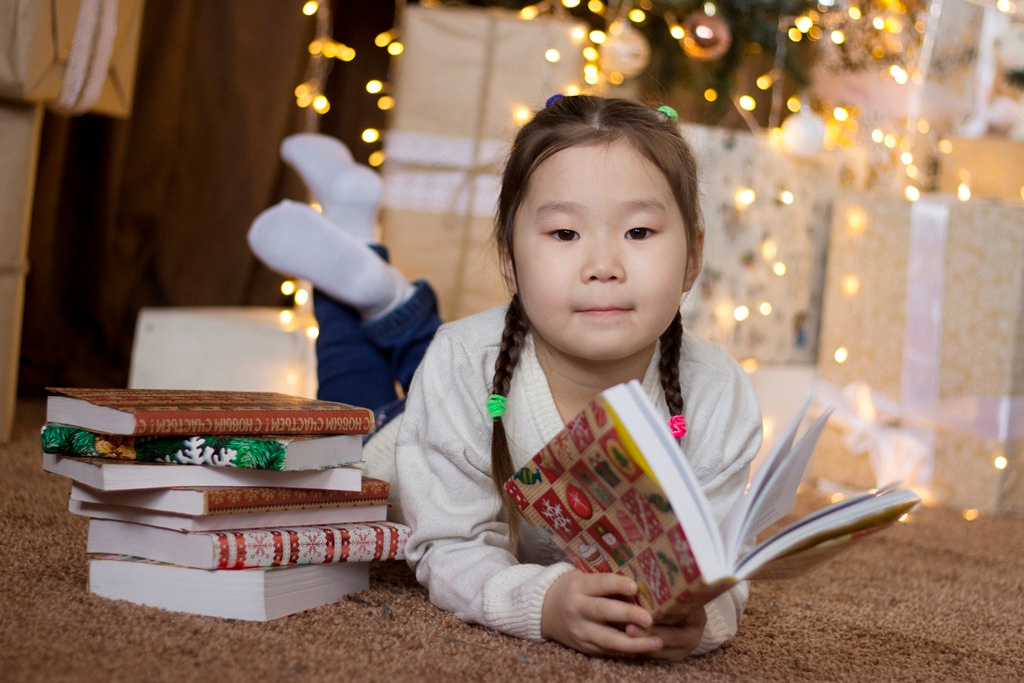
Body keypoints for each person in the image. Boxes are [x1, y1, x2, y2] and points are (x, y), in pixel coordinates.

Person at [248, 95, 762, 661]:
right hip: (401, 450)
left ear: (693, 256)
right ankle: (356, 242)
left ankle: (382, 286)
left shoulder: (717, 392)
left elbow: (719, 566)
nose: (603, 265)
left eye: (639, 232)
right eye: (565, 234)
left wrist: (701, 616)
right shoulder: (462, 360)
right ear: (510, 260)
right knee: (355, 390)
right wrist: (543, 602)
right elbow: (453, 547)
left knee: (460, 351)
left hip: (481, 385)